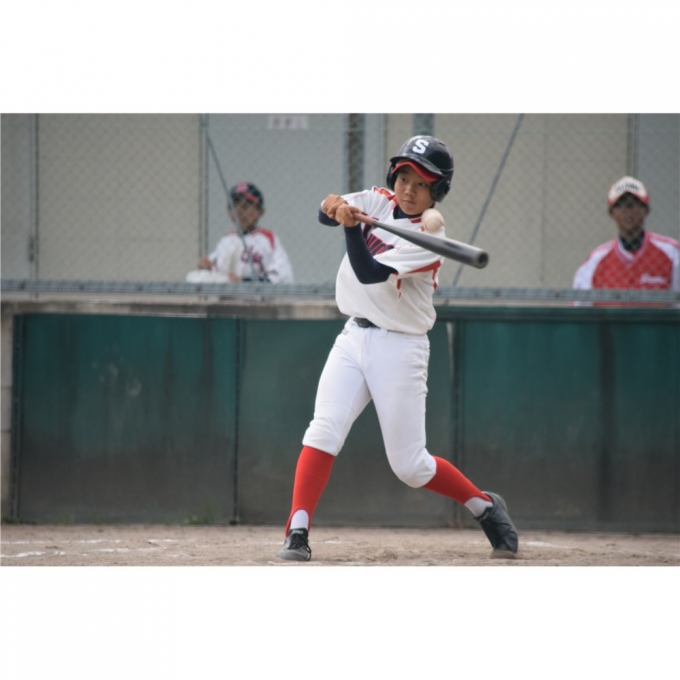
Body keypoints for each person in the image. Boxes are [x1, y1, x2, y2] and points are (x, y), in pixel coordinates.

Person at [276, 135, 518, 562]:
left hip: (400, 348)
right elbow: (324, 215)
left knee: (410, 466)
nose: (409, 189)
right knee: (324, 429)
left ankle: (483, 506)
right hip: (353, 336)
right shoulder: (377, 200)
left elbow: (368, 272)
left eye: (422, 184)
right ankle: (297, 531)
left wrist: (351, 228)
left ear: (437, 191)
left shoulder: (427, 239)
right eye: (405, 177)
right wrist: (333, 207)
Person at [573, 176, 680, 291]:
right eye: (621, 205)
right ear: (611, 213)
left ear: (646, 210)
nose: (628, 211)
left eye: (634, 204)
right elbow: (580, 301)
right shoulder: (595, 261)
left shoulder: (672, 253)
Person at [187, 182, 294, 284]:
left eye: (245, 206)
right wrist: (207, 267)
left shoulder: (268, 239)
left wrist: (246, 282)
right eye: (234, 206)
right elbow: (214, 267)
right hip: (227, 296)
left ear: (260, 212)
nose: (239, 211)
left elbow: (282, 276)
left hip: (256, 296)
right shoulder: (227, 240)